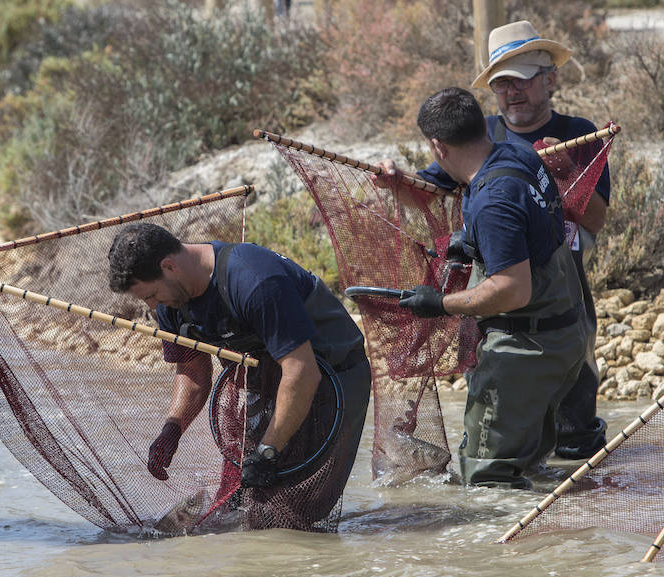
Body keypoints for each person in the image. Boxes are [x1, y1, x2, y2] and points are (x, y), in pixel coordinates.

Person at [417, 20, 610, 459]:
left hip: (566, 287)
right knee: (500, 406)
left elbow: (596, 221)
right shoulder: (480, 134)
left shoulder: (580, 131)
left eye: (522, 81)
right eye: (501, 85)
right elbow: (431, 186)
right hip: (498, 302)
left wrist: (566, 170)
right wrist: (393, 180)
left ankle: (578, 472)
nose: (512, 94)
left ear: (550, 79)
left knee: (575, 399)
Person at [107, 223, 371, 528]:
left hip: (332, 375)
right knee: (241, 503)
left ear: (169, 266)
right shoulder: (171, 305)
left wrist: (268, 449)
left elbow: (302, 373)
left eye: (152, 295)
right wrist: (172, 429)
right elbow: (192, 372)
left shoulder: (254, 280)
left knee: (297, 511)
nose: (152, 306)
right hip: (266, 379)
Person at [393, 87, 587, 489]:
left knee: (487, 481)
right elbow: (531, 229)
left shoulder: (492, 201)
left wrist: (441, 303)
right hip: (565, 336)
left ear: (437, 146)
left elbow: (513, 290)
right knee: (529, 466)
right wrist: (472, 243)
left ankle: (504, 551)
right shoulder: (518, 154)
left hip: (525, 351)